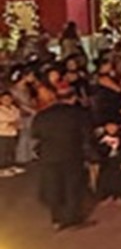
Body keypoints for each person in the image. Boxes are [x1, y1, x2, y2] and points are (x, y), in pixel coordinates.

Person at [31, 89, 92, 230]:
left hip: (49, 156)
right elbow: (86, 134)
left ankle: (56, 219)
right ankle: (72, 218)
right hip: (72, 154)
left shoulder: (43, 115)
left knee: (54, 186)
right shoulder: (77, 114)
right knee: (72, 186)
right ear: (73, 97)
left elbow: (35, 134)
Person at [94, 117, 121, 202]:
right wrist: (107, 146)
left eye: (113, 126)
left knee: (120, 177)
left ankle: (120, 194)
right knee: (106, 177)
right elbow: (99, 150)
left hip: (118, 161)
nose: (111, 128)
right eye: (109, 126)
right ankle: (107, 194)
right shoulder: (102, 137)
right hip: (106, 161)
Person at [0, 91, 20, 176]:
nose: (7, 100)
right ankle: (2, 168)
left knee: (11, 150)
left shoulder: (14, 109)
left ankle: (11, 166)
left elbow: (17, 119)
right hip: (2, 133)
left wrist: (16, 124)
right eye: (5, 99)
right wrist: (9, 123)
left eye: (9, 98)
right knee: (3, 151)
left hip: (13, 133)